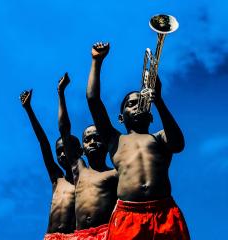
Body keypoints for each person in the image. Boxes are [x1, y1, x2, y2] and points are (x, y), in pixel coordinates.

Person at [86, 42, 190, 240]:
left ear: (151, 116)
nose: (137, 106)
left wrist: (158, 99)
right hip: (127, 216)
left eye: (142, 103)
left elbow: (178, 144)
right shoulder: (114, 139)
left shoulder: (160, 137)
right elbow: (93, 99)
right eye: (131, 104)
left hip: (165, 213)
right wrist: (96, 61)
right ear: (121, 117)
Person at [57, 73, 118, 240]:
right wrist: (61, 94)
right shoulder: (79, 169)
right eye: (87, 139)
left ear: (106, 144)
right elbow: (64, 131)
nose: (92, 142)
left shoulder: (115, 174)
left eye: (97, 138)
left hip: (108, 234)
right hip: (80, 236)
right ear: (82, 148)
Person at [20, 89, 76, 239]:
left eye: (67, 150)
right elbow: (43, 143)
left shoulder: (85, 182)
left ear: (79, 151)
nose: (63, 154)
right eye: (59, 152)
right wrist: (28, 109)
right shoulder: (57, 179)